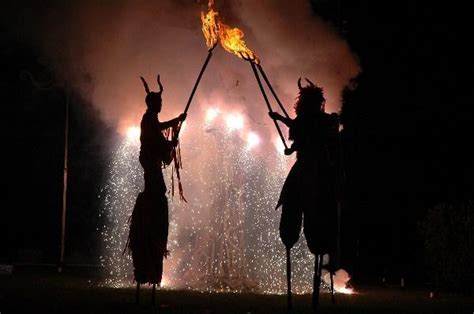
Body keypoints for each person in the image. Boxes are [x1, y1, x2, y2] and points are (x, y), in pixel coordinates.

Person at [269, 78, 340, 309]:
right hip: (303, 171)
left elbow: (310, 134)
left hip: (315, 171)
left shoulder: (322, 121)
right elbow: (298, 140)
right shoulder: (310, 120)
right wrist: (289, 142)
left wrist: (281, 119)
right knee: (291, 204)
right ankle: (293, 235)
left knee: (318, 214)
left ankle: (319, 247)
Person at [126, 74, 186, 302]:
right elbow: (159, 133)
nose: (160, 106)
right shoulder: (148, 119)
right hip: (151, 172)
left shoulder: (151, 121)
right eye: (158, 103)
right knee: (157, 192)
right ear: (152, 104)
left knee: (158, 191)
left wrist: (172, 140)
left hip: (153, 170)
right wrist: (176, 122)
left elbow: (165, 149)